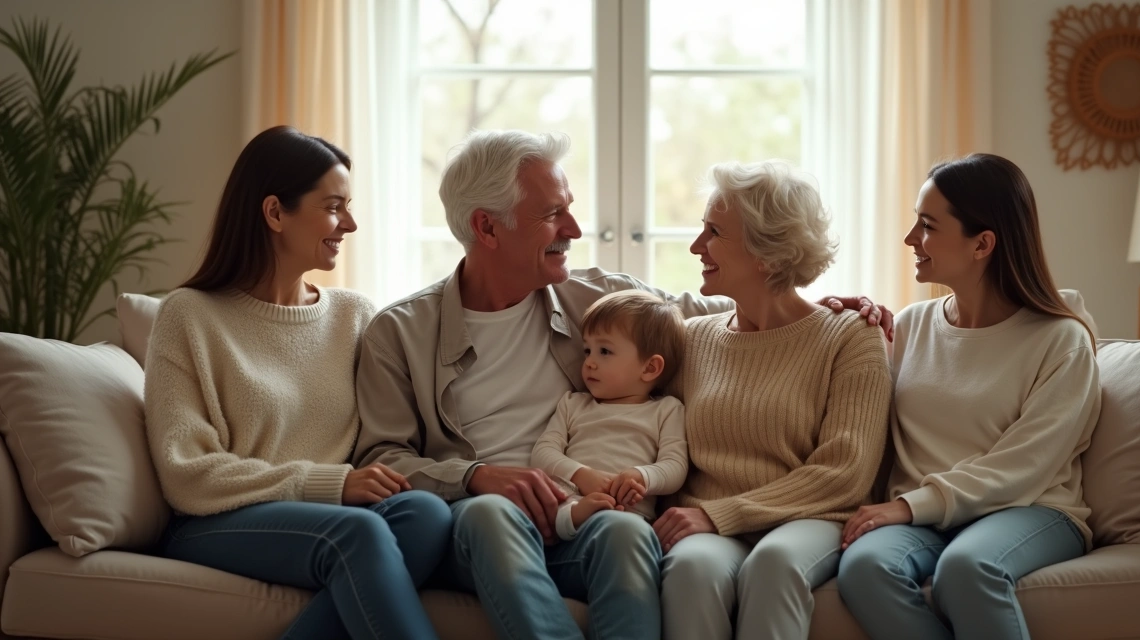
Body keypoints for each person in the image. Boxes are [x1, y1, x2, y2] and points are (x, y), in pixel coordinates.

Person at [352, 130, 890, 640]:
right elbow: (381, 459)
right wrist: (474, 477)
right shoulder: (399, 333)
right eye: (553, 214)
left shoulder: (599, 300)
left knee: (630, 530)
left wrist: (836, 306)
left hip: (586, 517)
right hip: (479, 526)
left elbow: (742, 312)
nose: (575, 230)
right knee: (496, 515)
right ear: (488, 228)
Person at [144, 126, 452, 640]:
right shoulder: (190, 316)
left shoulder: (354, 317)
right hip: (217, 520)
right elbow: (186, 472)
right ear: (274, 213)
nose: (349, 223)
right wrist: (327, 483)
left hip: (331, 515)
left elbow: (381, 439)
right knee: (359, 532)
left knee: (425, 513)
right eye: (334, 207)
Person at [836, 153, 1101, 640]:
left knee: (965, 569)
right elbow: (851, 402)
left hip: (1028, 509)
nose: (911, 239)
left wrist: (911, 505)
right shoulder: (912, 326)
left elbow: (1027, 463)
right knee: (864, 568)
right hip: (924, 515)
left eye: (927, 226)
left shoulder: (1061, 339)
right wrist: (828, 319)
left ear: (982, 243)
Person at [653, 160, 893, 640]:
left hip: (809, 518)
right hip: (710, 519)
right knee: (690, 570)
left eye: (714, 232)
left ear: (766, 252)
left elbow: (845, 471)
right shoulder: (692, 338)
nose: (697, 246)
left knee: (773, 564)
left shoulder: (850, 336)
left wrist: (722, 513)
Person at [531, 289, 688, 541]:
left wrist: (641, 476)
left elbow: (675, 466)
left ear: (650, 368)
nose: (590, 362)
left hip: (629, 515)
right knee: (557, 513)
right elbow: (543, 453)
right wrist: (581, 475)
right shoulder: (573, 403)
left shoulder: (667, 410)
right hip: (570, 502)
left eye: (604, 351)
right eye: (587, 351)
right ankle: (573, 520)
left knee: (629, 532)